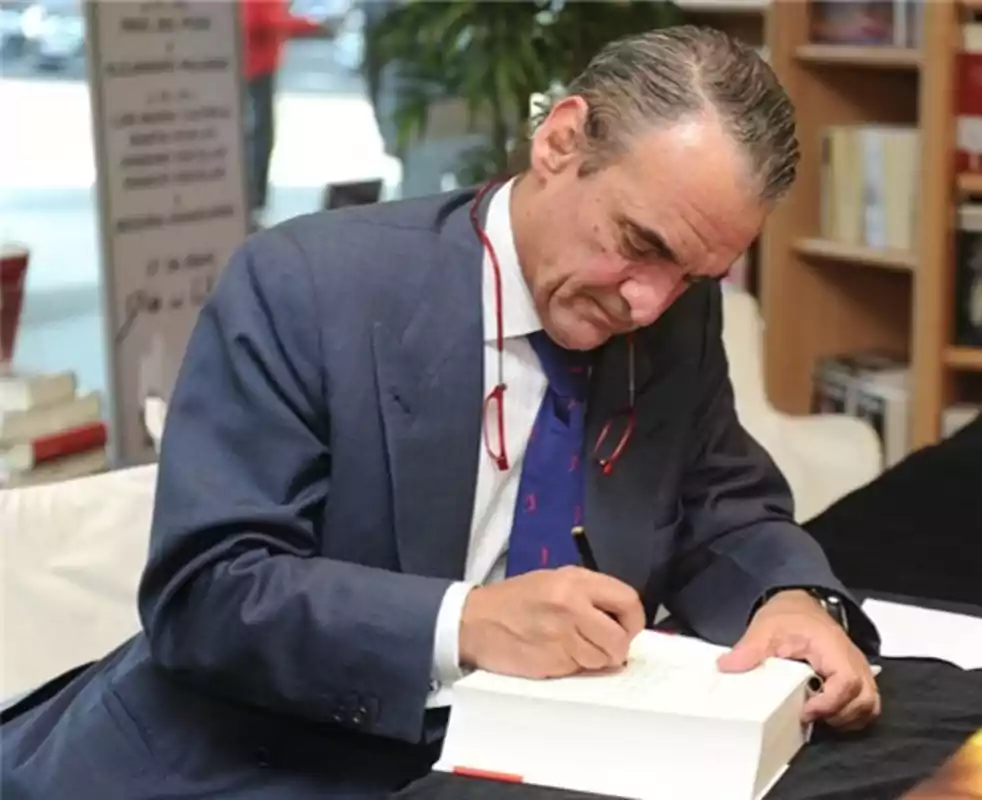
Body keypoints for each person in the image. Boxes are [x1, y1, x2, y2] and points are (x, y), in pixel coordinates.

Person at [1, 25, 881, 799]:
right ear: (561, 140)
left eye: (693, 274)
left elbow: (721, 501)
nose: (650, 304)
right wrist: (465, 624)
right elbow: (209, 594)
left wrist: (794, 599)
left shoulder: (673, 307)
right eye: (640, 245)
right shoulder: (307, 286)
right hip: (251, 754)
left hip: (523, 755)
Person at [241, 0, 323, 228]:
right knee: (259, 134)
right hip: (254, 65)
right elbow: (256, 21)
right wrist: (303, 23)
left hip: (262, 64)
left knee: (262, 134)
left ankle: (255, 201)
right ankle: (252, 201)